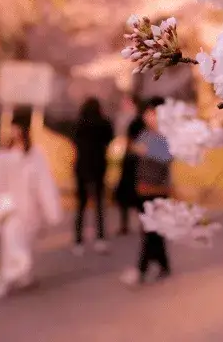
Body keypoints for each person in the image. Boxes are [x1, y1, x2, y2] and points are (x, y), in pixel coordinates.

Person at [0, 122, 63, 299]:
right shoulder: (2, 157)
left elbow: (45, 185)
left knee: (22, 243)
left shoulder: (34, 156)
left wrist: (52, 211)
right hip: (11, 210)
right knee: (14, 246)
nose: (15, 136)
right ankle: (5, 280)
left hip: (30, 212)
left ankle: (24, 278)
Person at [120, 97, 173, 286]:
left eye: (154, 114)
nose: (150, 117)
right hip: (143, 189)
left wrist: (146, 151)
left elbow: (167, 156)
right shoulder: (145, 134)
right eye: (148, 114)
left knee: (151, 230)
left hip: (158, 189)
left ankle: (141, 270)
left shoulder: (165, 135)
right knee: (153, 231)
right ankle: (164, 266)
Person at [71, 97, 115, 255]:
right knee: (99, 204)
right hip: (98, 166)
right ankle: (100, 238)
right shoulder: (104, 123)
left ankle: (78, 241)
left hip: (82, 166)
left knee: (81, 206)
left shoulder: (79, 124)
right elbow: (110, 139)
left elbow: (74, 141)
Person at [113, 95, 146, 236]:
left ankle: (128, 224)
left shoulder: (135, 122)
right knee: (134, 197)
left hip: (133, 162)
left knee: (131, 196)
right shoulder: (136, 121)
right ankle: (140, 224)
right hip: (135, 162)